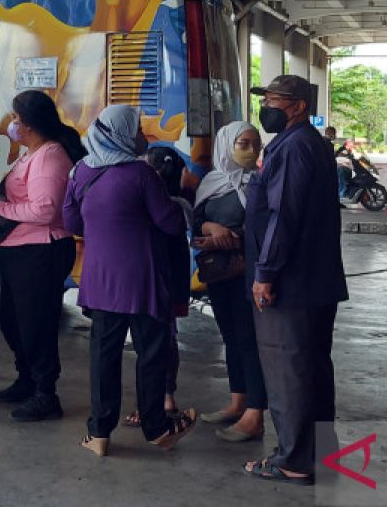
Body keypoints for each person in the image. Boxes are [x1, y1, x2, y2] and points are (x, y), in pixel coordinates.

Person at [63, 105, 197, 456]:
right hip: (143, 280)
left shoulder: (81, 171)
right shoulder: (142, 174)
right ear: (122, 134)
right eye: (136, 129)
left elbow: (73, 224)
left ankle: (99, 435)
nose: (141, 136)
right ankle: (156, 429)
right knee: (151, 354)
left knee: (103, 356)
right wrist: (180, 205)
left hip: (100, 280)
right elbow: (170, 223)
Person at [243, 75, 346, 486]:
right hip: (314, 279)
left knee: (289, 370)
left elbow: (282, 215)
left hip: (290, 282)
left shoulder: (294, 147)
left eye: (273, 100)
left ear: (298, 106)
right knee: (313, 368)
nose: (265, 106)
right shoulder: (309, 144)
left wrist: (265, 272)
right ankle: (320, 454)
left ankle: (294, 460)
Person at [0, 90, 85, 422]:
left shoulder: (49, 156)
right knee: (12, 319)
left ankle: (45, 393)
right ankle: (26, 378)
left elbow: (46, 209)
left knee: (36, 323)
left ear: (30, 124)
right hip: (17, 250)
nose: (12, 124)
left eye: (17, 119)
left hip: (40, 250)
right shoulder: (29, 153)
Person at [193, 121, 267, 444]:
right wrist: (210, 227)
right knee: (231, 336)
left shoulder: (262, 183)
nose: (251, 151)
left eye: (255, 144)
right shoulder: (212, 182)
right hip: (220, 274)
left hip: (249, 273)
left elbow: (267, 231)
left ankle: (256, 413)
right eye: (243, 144)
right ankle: (238, 401)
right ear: (227, 145)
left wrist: (231, 237)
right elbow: (196, 220)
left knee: (250, 339)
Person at [123, 145, 191, 428]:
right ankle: (167, 397)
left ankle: (151, 404)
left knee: (149, 345)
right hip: (174, 279)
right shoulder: (182, 204)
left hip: (153, 279)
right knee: (167, 338)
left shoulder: (151, 202)